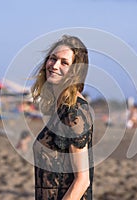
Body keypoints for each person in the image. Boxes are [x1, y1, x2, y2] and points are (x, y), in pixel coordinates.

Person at [31, 35, 93, 200]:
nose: (55, 65)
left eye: (64, 62)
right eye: (53, 58)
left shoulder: (75, 110)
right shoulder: (61, 105)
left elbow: (82, 180)